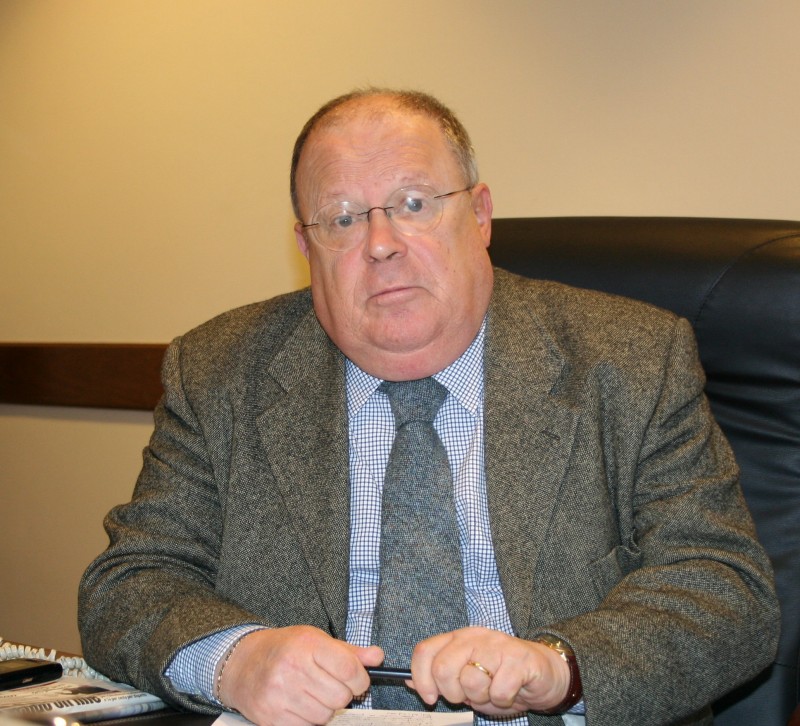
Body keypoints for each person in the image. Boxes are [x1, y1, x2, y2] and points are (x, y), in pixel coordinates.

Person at [78, 88, 779, 726]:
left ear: (479, 214)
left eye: (414, 204)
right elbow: (130, 583)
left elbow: (726, 591)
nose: (381, 245)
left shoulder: (630, 359)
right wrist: (236, 660)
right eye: (342, 219)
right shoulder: (220, 372)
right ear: (305, 247)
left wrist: (560, 669)